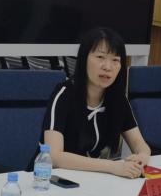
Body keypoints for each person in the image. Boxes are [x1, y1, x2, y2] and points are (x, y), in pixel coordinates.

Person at [41, 27, 152, 179]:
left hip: (91, 179)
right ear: (84, 59)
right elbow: (54, 156)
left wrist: (143, 155)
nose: (108, 67)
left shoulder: (117, 98)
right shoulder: (64, 94)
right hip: (50, 179)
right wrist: (112, 166)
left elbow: (139, 143)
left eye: (115, 60)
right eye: (100, 57)